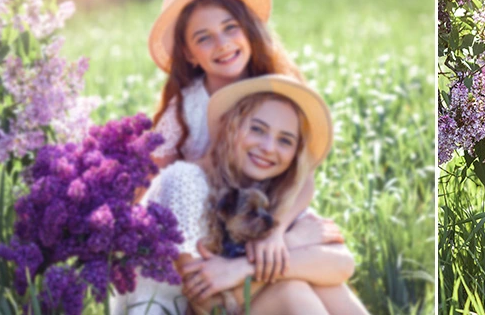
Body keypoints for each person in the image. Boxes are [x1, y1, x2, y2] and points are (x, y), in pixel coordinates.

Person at [112, 75, 368, 314]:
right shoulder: (185, 182)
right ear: (231, 125)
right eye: (257, 129)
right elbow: (208, 302)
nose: (269, 148)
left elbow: (342, 265)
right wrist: (295, 244)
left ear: (294, 155)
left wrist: (244, 267)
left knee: (323, 285)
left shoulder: (267, 187)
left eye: (285, 141)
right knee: (291, 289)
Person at [146, 0, 312, 287]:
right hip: (207, 232)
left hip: (270, 213)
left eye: (230, 28)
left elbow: (304, 176)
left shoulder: (276, 90)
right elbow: (156, 184)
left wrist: (276, 232)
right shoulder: (184, 108)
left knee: (317, 260)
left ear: (248, 29)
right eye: (203, 38)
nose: (222, 44)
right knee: (292, 284)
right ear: (189, 53)